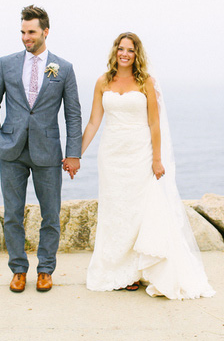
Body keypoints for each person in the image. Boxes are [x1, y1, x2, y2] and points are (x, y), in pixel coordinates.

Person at [77, 32, 214, 299]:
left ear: (136, 54)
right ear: (115, 51)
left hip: (139, 154)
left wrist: (157, 159)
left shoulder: (146, 82)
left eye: (130, 49)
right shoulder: (102, 81)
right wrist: (76, 154)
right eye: (121, 48)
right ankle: (114, 270)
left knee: (137, 212)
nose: (124, 53)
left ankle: (135, 271)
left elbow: (154, 123)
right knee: (114, 211)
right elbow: (94, 122)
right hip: (111, 154)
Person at [0, 5, 82, 293]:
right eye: (23, 32)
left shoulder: (63, 68)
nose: (26, 38)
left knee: (50, 214)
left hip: (47, 151)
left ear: (45, 32)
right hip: (11, 150)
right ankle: (17, 269)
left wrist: (73, 152)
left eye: (32, 32)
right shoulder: (6, 63)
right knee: (13, 213)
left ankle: (45, 269)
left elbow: (73, 114)